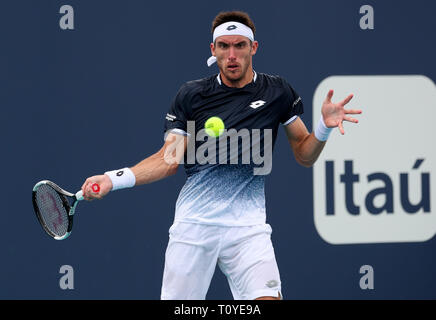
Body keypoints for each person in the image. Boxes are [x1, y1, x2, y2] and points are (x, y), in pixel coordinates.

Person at [81, 11, 361, 300]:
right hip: (194, 227)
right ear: (212, 50)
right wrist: (114, 180)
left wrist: (323, 129)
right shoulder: (192, 95)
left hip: (248, 230)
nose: (231, 55)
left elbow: (304, 153)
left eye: (239, 45)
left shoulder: (278, 92)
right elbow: (169, 160)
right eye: (224, 46)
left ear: (253, 48)